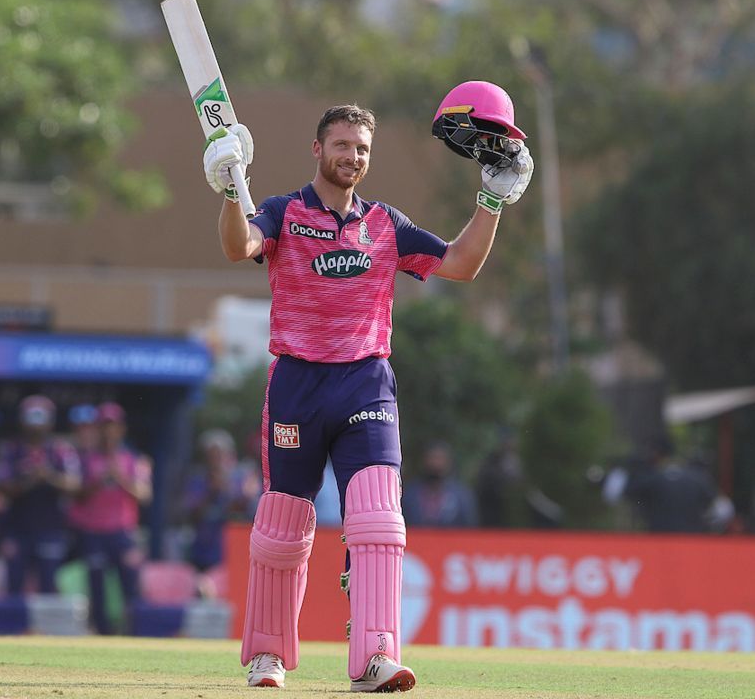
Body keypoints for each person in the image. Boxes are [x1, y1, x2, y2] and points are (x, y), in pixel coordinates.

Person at [203, 82, 532, 691]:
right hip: (298, 381)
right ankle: (269, 656)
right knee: (283, 528)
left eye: (362, 148)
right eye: (342, 145)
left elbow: (459, 265)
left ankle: (376, 656)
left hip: (365, 383)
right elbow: (237, 245)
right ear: (317, 149)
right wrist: (229, 188)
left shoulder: (386, 224)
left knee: (379, 520)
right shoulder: (281, 212)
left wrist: (492, 201)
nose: (352, 156)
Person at [68, 403, 151, 634]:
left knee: (130, 587)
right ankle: (102, 635)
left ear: (121, 429)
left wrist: (120, 478)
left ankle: (135, 634)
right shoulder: (84, 459)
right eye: (103, 426)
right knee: (97, 586)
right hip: (93, 531)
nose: (108, 431)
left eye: (112, 426)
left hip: (122, 532)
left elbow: (144, 494)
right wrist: (97, 482)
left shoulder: (133, 460)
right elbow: (75, 493)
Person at [0, 395, 81, 595]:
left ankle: (45, 628)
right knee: (13, 586)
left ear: (50, 420)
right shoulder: (12, 450)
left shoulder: (60, 450)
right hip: (17, 529)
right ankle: (11, 627)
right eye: (31, 418)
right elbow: (3, 487)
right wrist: (30, 480)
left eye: (40, 418)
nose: (36, 425)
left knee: (48, 587)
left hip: (50, 529)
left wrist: (47, 476)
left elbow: (74, 485)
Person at [183, 429, 260, 571]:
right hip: (204, 550)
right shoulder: (199, 479)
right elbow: (191, 512)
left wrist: (225, 488)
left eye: (219, 455)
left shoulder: (241, 477)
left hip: (235, 547)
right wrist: (211, 491)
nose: (215, 461)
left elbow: (249, 510)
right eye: (211, 456)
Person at [401, 442, 478, 527]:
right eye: (432, 458)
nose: (436, 464)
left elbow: (470, 528)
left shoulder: (462, 496)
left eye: (440, 459)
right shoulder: (409, 494)